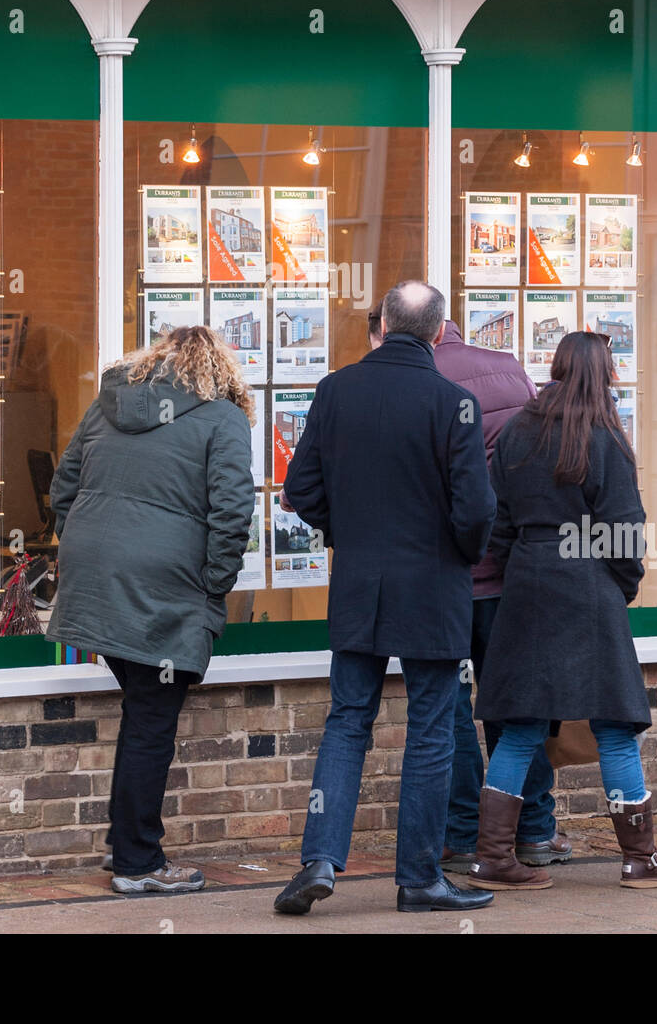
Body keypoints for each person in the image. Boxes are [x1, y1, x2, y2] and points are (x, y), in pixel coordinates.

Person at [273, 281, 498, 915]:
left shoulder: (334, 390)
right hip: (433, 587)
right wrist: (455, 550)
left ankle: (319, 859)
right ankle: (420, 878)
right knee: (430, 730)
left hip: (358, 585)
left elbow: (302, 488)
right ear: (438, 332)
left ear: (382, 326)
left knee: (347, 722)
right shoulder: (454, 402)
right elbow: (476, 507)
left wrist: (348, 534)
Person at [471, 332, 657, 890]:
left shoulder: (518, 431)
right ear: (605, 374)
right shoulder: (605, 438)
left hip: (526, 586)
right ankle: (640, 859)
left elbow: (495, 524)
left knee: (519, 727)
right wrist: (623, 585)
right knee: (615, 726)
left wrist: (521, 559)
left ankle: (493, 857)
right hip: (589, 586)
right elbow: (624, 532)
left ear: (558, 368)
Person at [47, 326, 255, 895]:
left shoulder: (106, 405)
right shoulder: (223, 417)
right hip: (166, 586)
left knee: (144, 714)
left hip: (100, 577)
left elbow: (63, 488)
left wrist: (87, 547)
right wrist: (213, 586)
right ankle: (139, 863)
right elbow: (233, 511)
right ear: (219, 370)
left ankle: (127, 850)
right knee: (151, 723)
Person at [433, 319, 570, 878]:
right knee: (516, 705)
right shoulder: (512, 370)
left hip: (442, 577)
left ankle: (465, 836)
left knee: (450, 710)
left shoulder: (422, 377)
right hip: (508, 573)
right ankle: (534, 831)